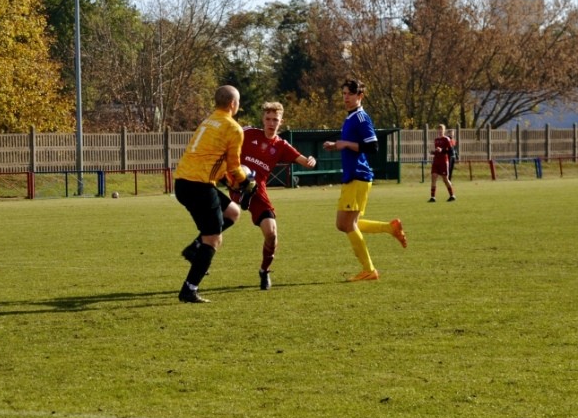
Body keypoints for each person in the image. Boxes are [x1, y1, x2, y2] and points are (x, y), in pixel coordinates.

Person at [173, 85, 255, 303]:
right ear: (232, 104)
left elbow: (214, 159)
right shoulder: (233, 128)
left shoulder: (209, 121)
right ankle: (189, 290)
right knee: (214, 239)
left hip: (183, 182)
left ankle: (194, 249)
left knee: (233, 212)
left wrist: (230, 178)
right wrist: (247, 182)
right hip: (198, 185)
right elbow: (235, 166)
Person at [323, 78, 407, 282]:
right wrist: (338, 145)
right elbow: (353, 144)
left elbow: (373, 147)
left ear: (360, 96)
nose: (345, 98)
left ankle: (369, 269)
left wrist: (344, 144)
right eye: (343, 94)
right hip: (353, 176)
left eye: (349, 94)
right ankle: (390, 227)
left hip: (358, 176)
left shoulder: (361, 118)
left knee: (347, 224)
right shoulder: (350, 117)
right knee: (344, 223)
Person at [230, 101, 317, 290]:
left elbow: (303, 160)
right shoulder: (248, 133)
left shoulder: (281, 145)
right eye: (268, 119)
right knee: (219, 223)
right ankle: (200, 255)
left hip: (258, 191)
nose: (271, 123)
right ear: (263, 119)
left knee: (271, 234)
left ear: (281, 122)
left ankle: (264, 271)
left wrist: (311, 160)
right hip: (236, 183)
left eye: (275, 120)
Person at [429, 124, 456, 202]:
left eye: (441, 129)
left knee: (445, 179)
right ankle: (433, 197)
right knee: (433, 177)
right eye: (439, 129)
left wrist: (442, 150)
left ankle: (452, 195)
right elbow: (438, 151)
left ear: (444, 131)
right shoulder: (436, 140)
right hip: (436, 161)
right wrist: (434, 152)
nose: (440, 131)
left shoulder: (447, 139)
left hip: (443, 162)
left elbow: (451, 151)